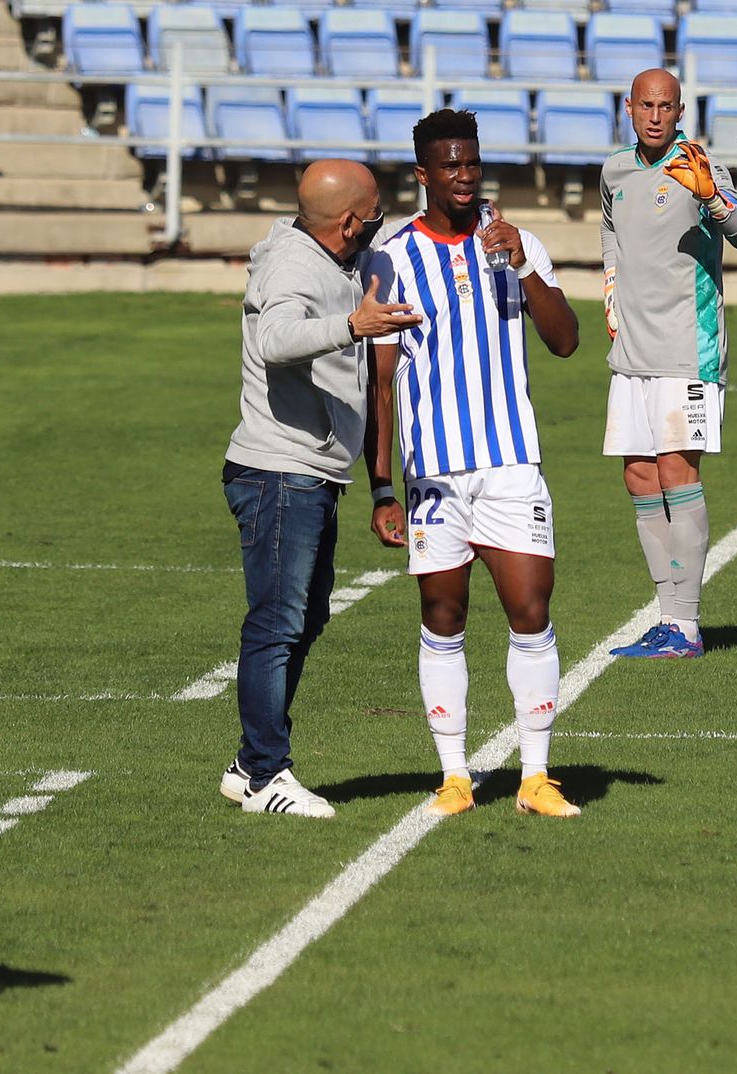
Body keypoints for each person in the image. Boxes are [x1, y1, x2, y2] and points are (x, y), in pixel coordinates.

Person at [366, 109, 581, 819]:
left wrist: (521, 262)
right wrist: (380, 487)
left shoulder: (515, 244)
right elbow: (382, 378)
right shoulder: (393, 258)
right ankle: (455, 776)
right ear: (423, 174)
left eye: (472, 163)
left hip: (511, 463)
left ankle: (536, 776)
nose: (465, 177)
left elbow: (566, 342)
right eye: (450, 166)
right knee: (442, 614)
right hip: (433, 475)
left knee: (530, 609)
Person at [219, 159, 421, 819]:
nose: (382, 219)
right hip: (281, 470)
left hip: (313, 471)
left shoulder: (331, 261)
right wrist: (351, 327)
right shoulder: (296, 267)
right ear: (352, 221)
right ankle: (265, 774)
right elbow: (275, 338)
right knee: (276, 621)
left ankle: (251, 761)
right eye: (377, 210)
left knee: (304, 617)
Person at [600, 69, 737, 659]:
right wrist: (612, 284)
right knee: (639, 476)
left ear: (680, 109)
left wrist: (712, 197)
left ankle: (687, 626)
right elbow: (609, 228)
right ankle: (666, 617)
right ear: (630, 107)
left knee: (676, 473)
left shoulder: (700, 165)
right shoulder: (614, 168)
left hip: (687, 351)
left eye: (667, 106)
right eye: (647, 105)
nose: (657, 116)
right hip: (630, 354)